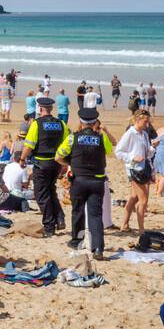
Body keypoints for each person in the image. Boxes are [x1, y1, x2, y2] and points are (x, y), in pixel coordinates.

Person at [56, 108, 116, 258]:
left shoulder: (73, 137)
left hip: (79, 179)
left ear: (81, 123)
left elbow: (58, 157)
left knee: (78, 211)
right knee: (95, 215)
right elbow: (110, 151)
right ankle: (97, 248)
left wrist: (70, 162)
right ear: (95, 122)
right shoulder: (101, 138)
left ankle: (77, 240)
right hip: (97, 180)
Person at [19, 96, 67, 236]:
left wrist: (22, 159)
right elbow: (66, 145)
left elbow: (28, 145)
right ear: (51, 109)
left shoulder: (37, 124)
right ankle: (59, 217)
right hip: (56, 163)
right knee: (51, 191)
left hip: (41, 163)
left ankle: (49, 226)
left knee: (41, 195)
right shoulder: (61, 124)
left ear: (40, 109)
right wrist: (65, 164)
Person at [115, 110, 154, 233]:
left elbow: (147, 153)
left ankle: (124, 225)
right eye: (145, 121)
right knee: (143, 200)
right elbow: (118, 152)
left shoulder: (144, 134)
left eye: (148, 122)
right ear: (137, 120)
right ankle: (142, 231)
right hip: (134, 170)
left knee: (134, 197)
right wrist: (132, 158)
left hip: (143, 170)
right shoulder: (130, 133)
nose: (147, 124)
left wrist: (153, 147)